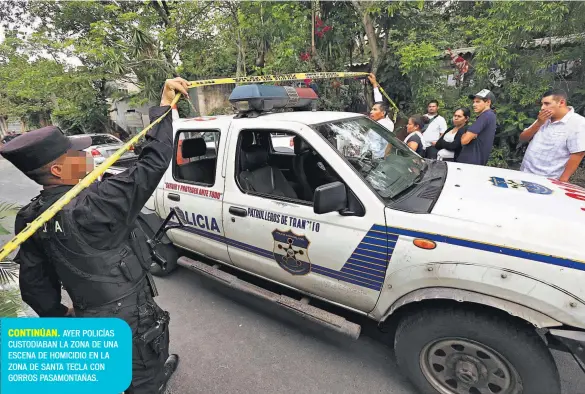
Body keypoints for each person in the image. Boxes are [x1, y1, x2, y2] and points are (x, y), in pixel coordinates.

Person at [0, 77, 190, 394]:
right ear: (59, 171)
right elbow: (155, 160)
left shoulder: (31, 217)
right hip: (131, 319)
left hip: (88, 316)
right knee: (142, 378)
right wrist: (165, 102)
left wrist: (62, 317)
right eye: (78, 154)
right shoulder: (99, 202)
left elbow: (34, 285)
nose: (88, 156)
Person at [519, 89, 585, 182]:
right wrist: (538, 123)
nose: (542, 107)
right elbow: (522, 138)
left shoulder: (578, 123)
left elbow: (578, 153)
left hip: (548, 180)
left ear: (561, 102)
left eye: (547, 104)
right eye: (542, 104)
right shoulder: (543, 118)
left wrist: (563, 180)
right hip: (525, 173)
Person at [457, 89, 497, 165]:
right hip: (476, 162)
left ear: (488, 102)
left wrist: (464, 135)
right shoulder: (491, 116)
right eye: (474, 102)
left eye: (478, 102)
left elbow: (464, 140)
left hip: (470, 163)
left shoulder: (485, 116)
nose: (474, 104)